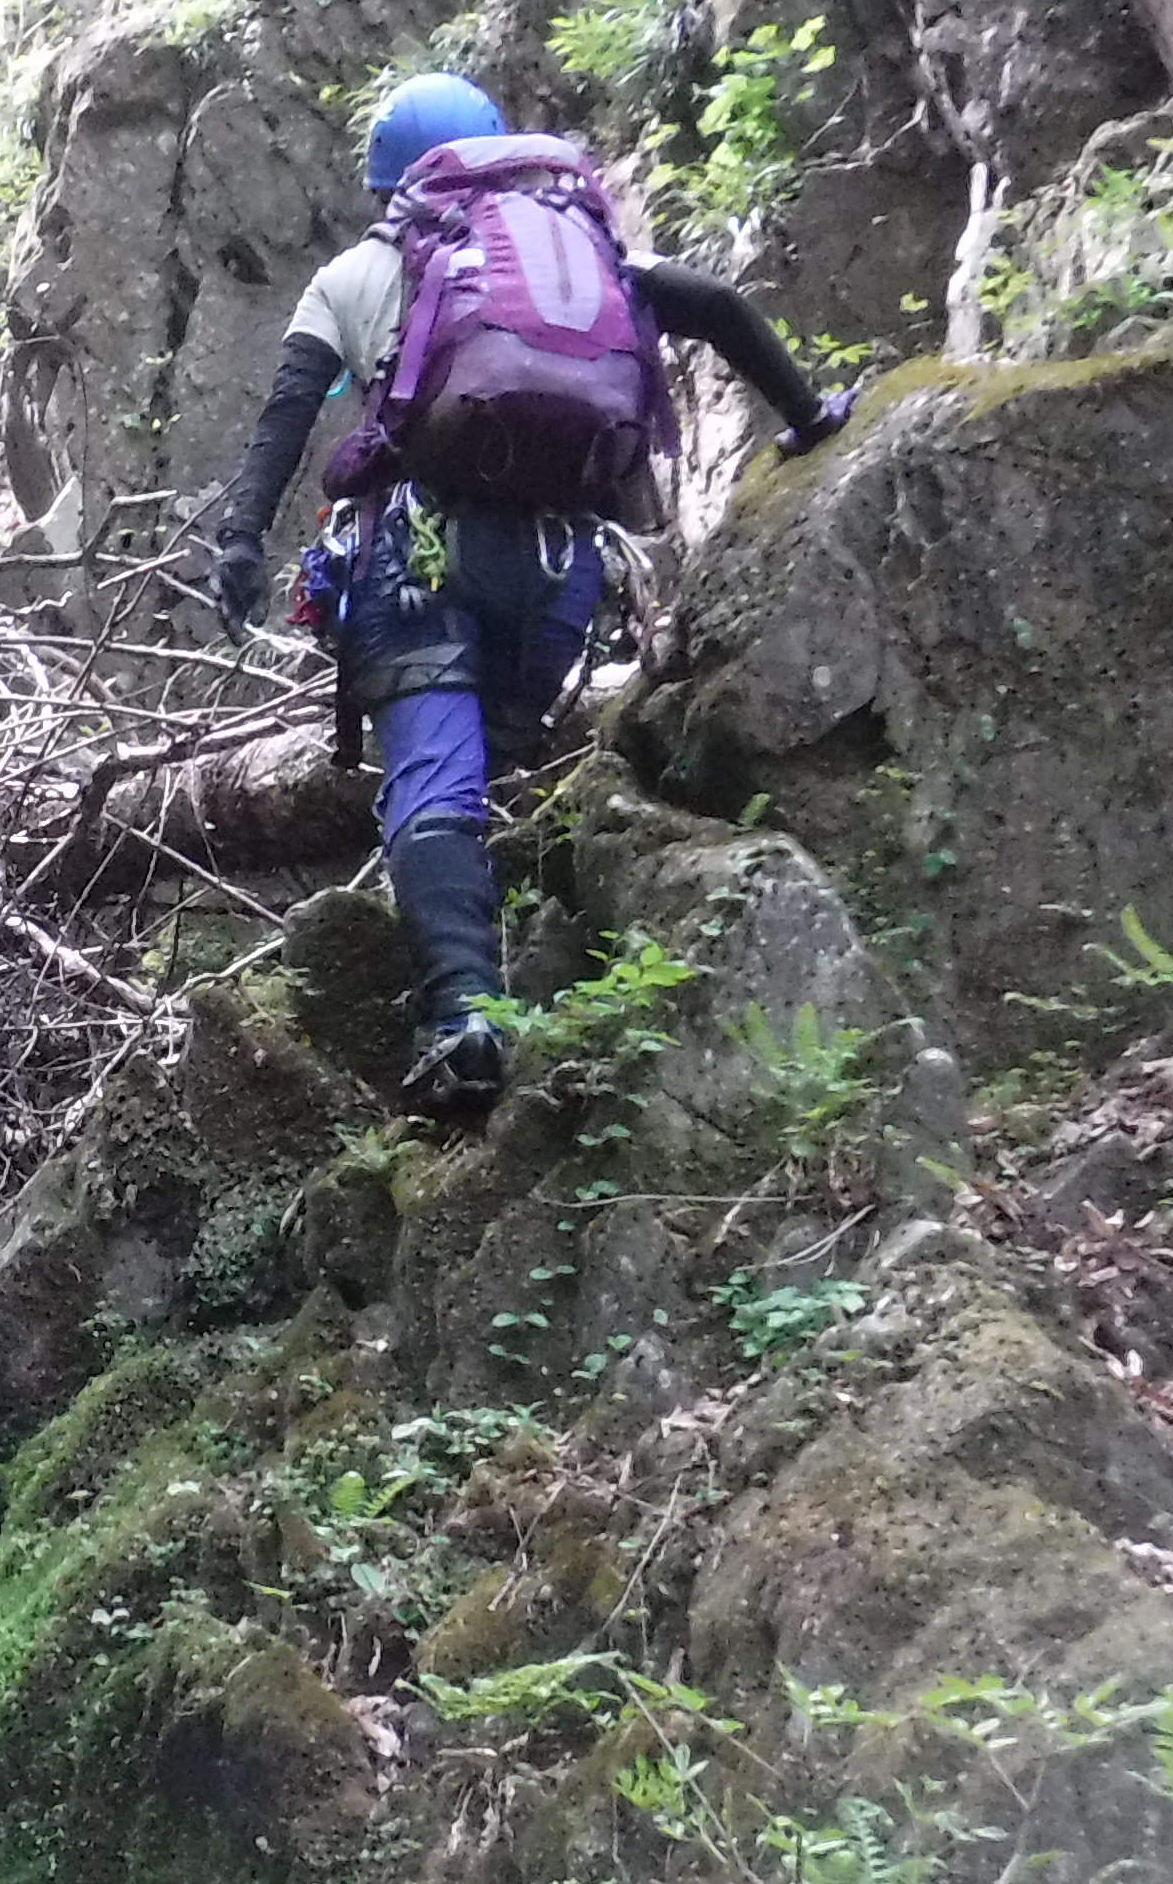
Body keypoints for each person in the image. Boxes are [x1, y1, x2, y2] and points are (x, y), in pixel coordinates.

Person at [206, 70, 852, 1115]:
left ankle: (464, 1021)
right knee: (483, 767)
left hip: (417, 560)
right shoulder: (573, 249)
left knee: (433, 781)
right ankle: (516, 964)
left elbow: (286, 420)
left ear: (390, 183)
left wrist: (239, 543)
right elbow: (722, 309)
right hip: (559, 573)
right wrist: (812, 417)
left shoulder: (363, 272)